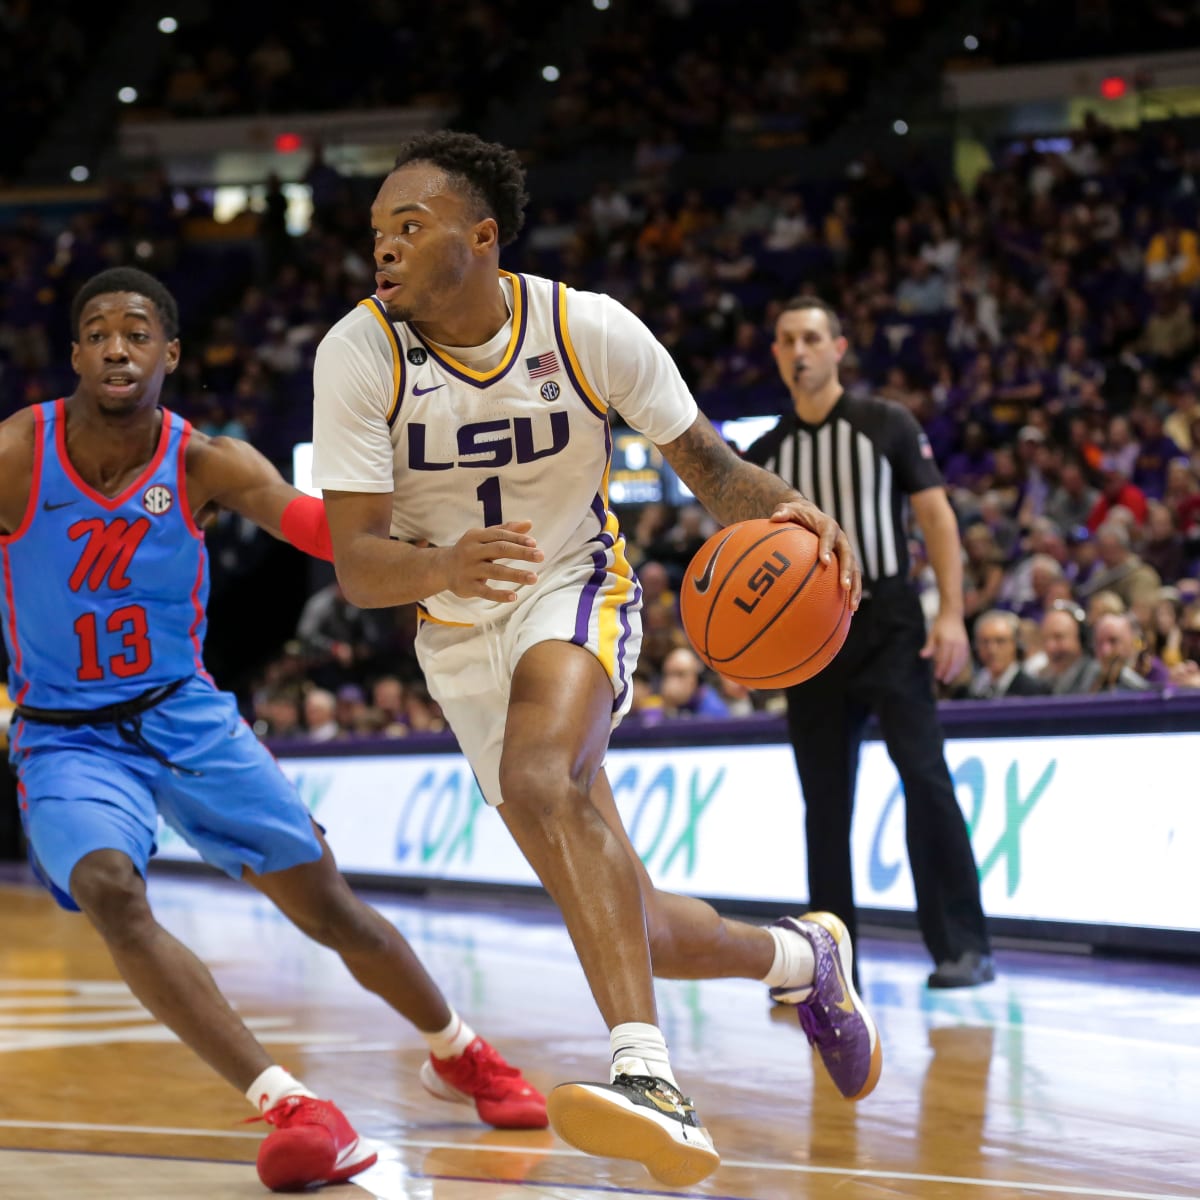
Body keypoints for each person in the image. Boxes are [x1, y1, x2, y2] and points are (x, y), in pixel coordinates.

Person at [310, 131, 879, 1189]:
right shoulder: (357, 352)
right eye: (377, 230)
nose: (382, 248)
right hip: (453, 626)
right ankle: (807, 961)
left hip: (575, 585)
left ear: (480, 239)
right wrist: (442, 564)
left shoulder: (586, 328)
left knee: (539, 774)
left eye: (408, 225)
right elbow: (356, 568)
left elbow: (708, 468)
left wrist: (794, 512)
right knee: (643, 925)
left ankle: (648, 1078)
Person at [0, 267, 546, 1195]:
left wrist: (440, 556)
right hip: (64, 735)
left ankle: (457, 1050)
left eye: (137, 333)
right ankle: (292, 1105)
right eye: (98, 333)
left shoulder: (206, 460)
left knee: (328, 907)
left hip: (187, 716)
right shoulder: (18, 452)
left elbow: (317, 529)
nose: (117, 348)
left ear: (171, 355)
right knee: (110, 891)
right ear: (77, 355)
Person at [743, 295, 994, 991]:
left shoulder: (887, 423)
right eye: (788, 338)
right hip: (810, 634)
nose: (800, 350)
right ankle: (828, 968)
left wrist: (951, 615)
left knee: (924, 775)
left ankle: (962, 946)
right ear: (777, 353)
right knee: (824, 801)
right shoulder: (767, 456)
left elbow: (938, 520)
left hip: (887, 617)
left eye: (813, 337)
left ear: (838, 348)